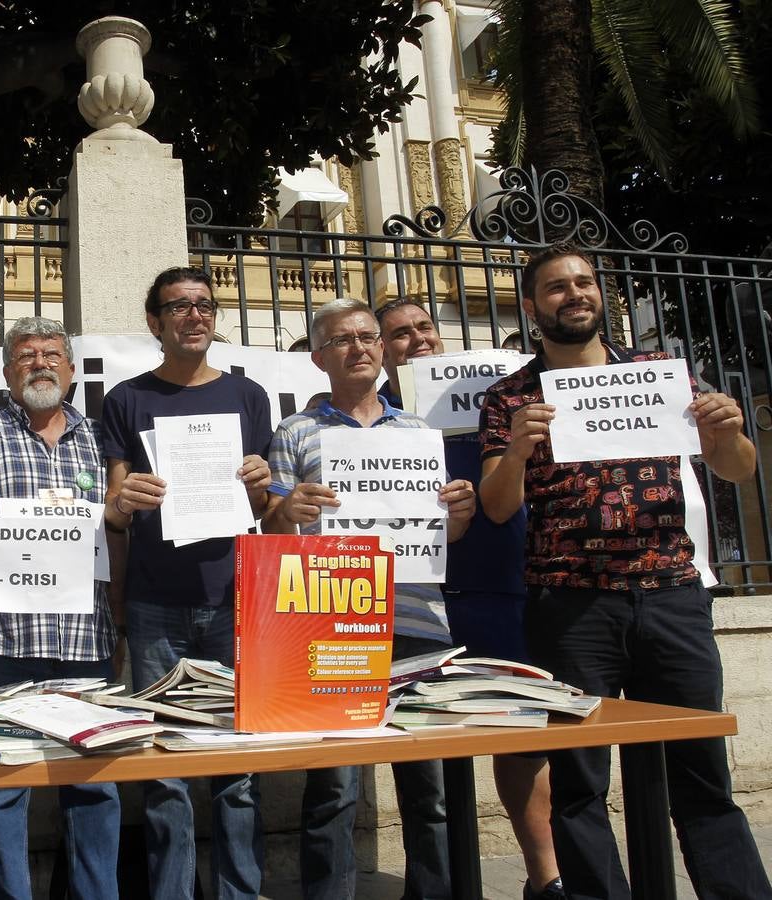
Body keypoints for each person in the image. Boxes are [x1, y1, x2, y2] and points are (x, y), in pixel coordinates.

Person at [478, 243, 772, 900]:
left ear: (599, 294)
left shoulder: (659, 373)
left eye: (584, 282)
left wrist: (726, 432)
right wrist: (518, 452)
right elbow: (497, 508)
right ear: (532, 307)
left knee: (702, 777)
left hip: (673, 599)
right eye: (556, 287)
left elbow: (740, 468)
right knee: (579, 784)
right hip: (571, 609)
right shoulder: (509, 397)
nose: (574, 293)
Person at [262, 298, 477, 900]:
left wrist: (456, 517)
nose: (357, 348)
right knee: (334, 785)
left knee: (427, 784)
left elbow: (441, 537)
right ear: (317, 357)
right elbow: (277, 533)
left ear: (383, 350)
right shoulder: (294, 433)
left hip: (417, 620)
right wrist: (286, 510)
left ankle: (433, 892)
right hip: (333, 625)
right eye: (341, 341)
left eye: (366, 337)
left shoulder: (418, 434)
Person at [376, 298, 563, 900]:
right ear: (382, 350)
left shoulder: (494, 394)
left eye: (424, 326)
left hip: (497, 581)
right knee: (421, 754)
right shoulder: (371, 412)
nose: (417, 340)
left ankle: (545, 876)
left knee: (519, 734)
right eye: (399, 334)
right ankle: (436, 884)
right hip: (413, 597)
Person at [101, 266, 271, 900]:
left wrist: (262, 484)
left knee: (238, 768)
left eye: (204, 305)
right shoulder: (126, 399)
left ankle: (240, 893)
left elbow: (263, 511)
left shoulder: (248, 397)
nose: (194, 316)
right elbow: (115, 507)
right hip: (153, 607)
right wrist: (126, 499)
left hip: (234, 602)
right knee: (164, 769)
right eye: (179, 307)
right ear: (155, 322)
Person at [0, 316, 120, 900]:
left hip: (86, 643)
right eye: (25, 355)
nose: (39, 364)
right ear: (6, 370)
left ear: (71, 369)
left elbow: (117, 531)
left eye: (51, 355)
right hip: (2, 641)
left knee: (94, 788)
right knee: (2, 790)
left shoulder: (101, 439)